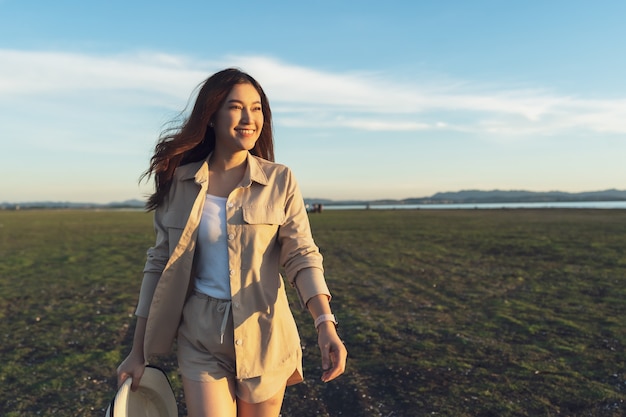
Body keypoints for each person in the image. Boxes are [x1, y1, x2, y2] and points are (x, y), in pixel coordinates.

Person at [116, 68, 347, 417]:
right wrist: (138, 351)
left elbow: (301, 255)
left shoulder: (279, 180)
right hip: (200, 334)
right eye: (236, 107)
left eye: (256, 109)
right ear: (211, 116)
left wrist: (324, 323)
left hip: (264, 331)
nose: (248, 118)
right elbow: (159, 266)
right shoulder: (179, 182)